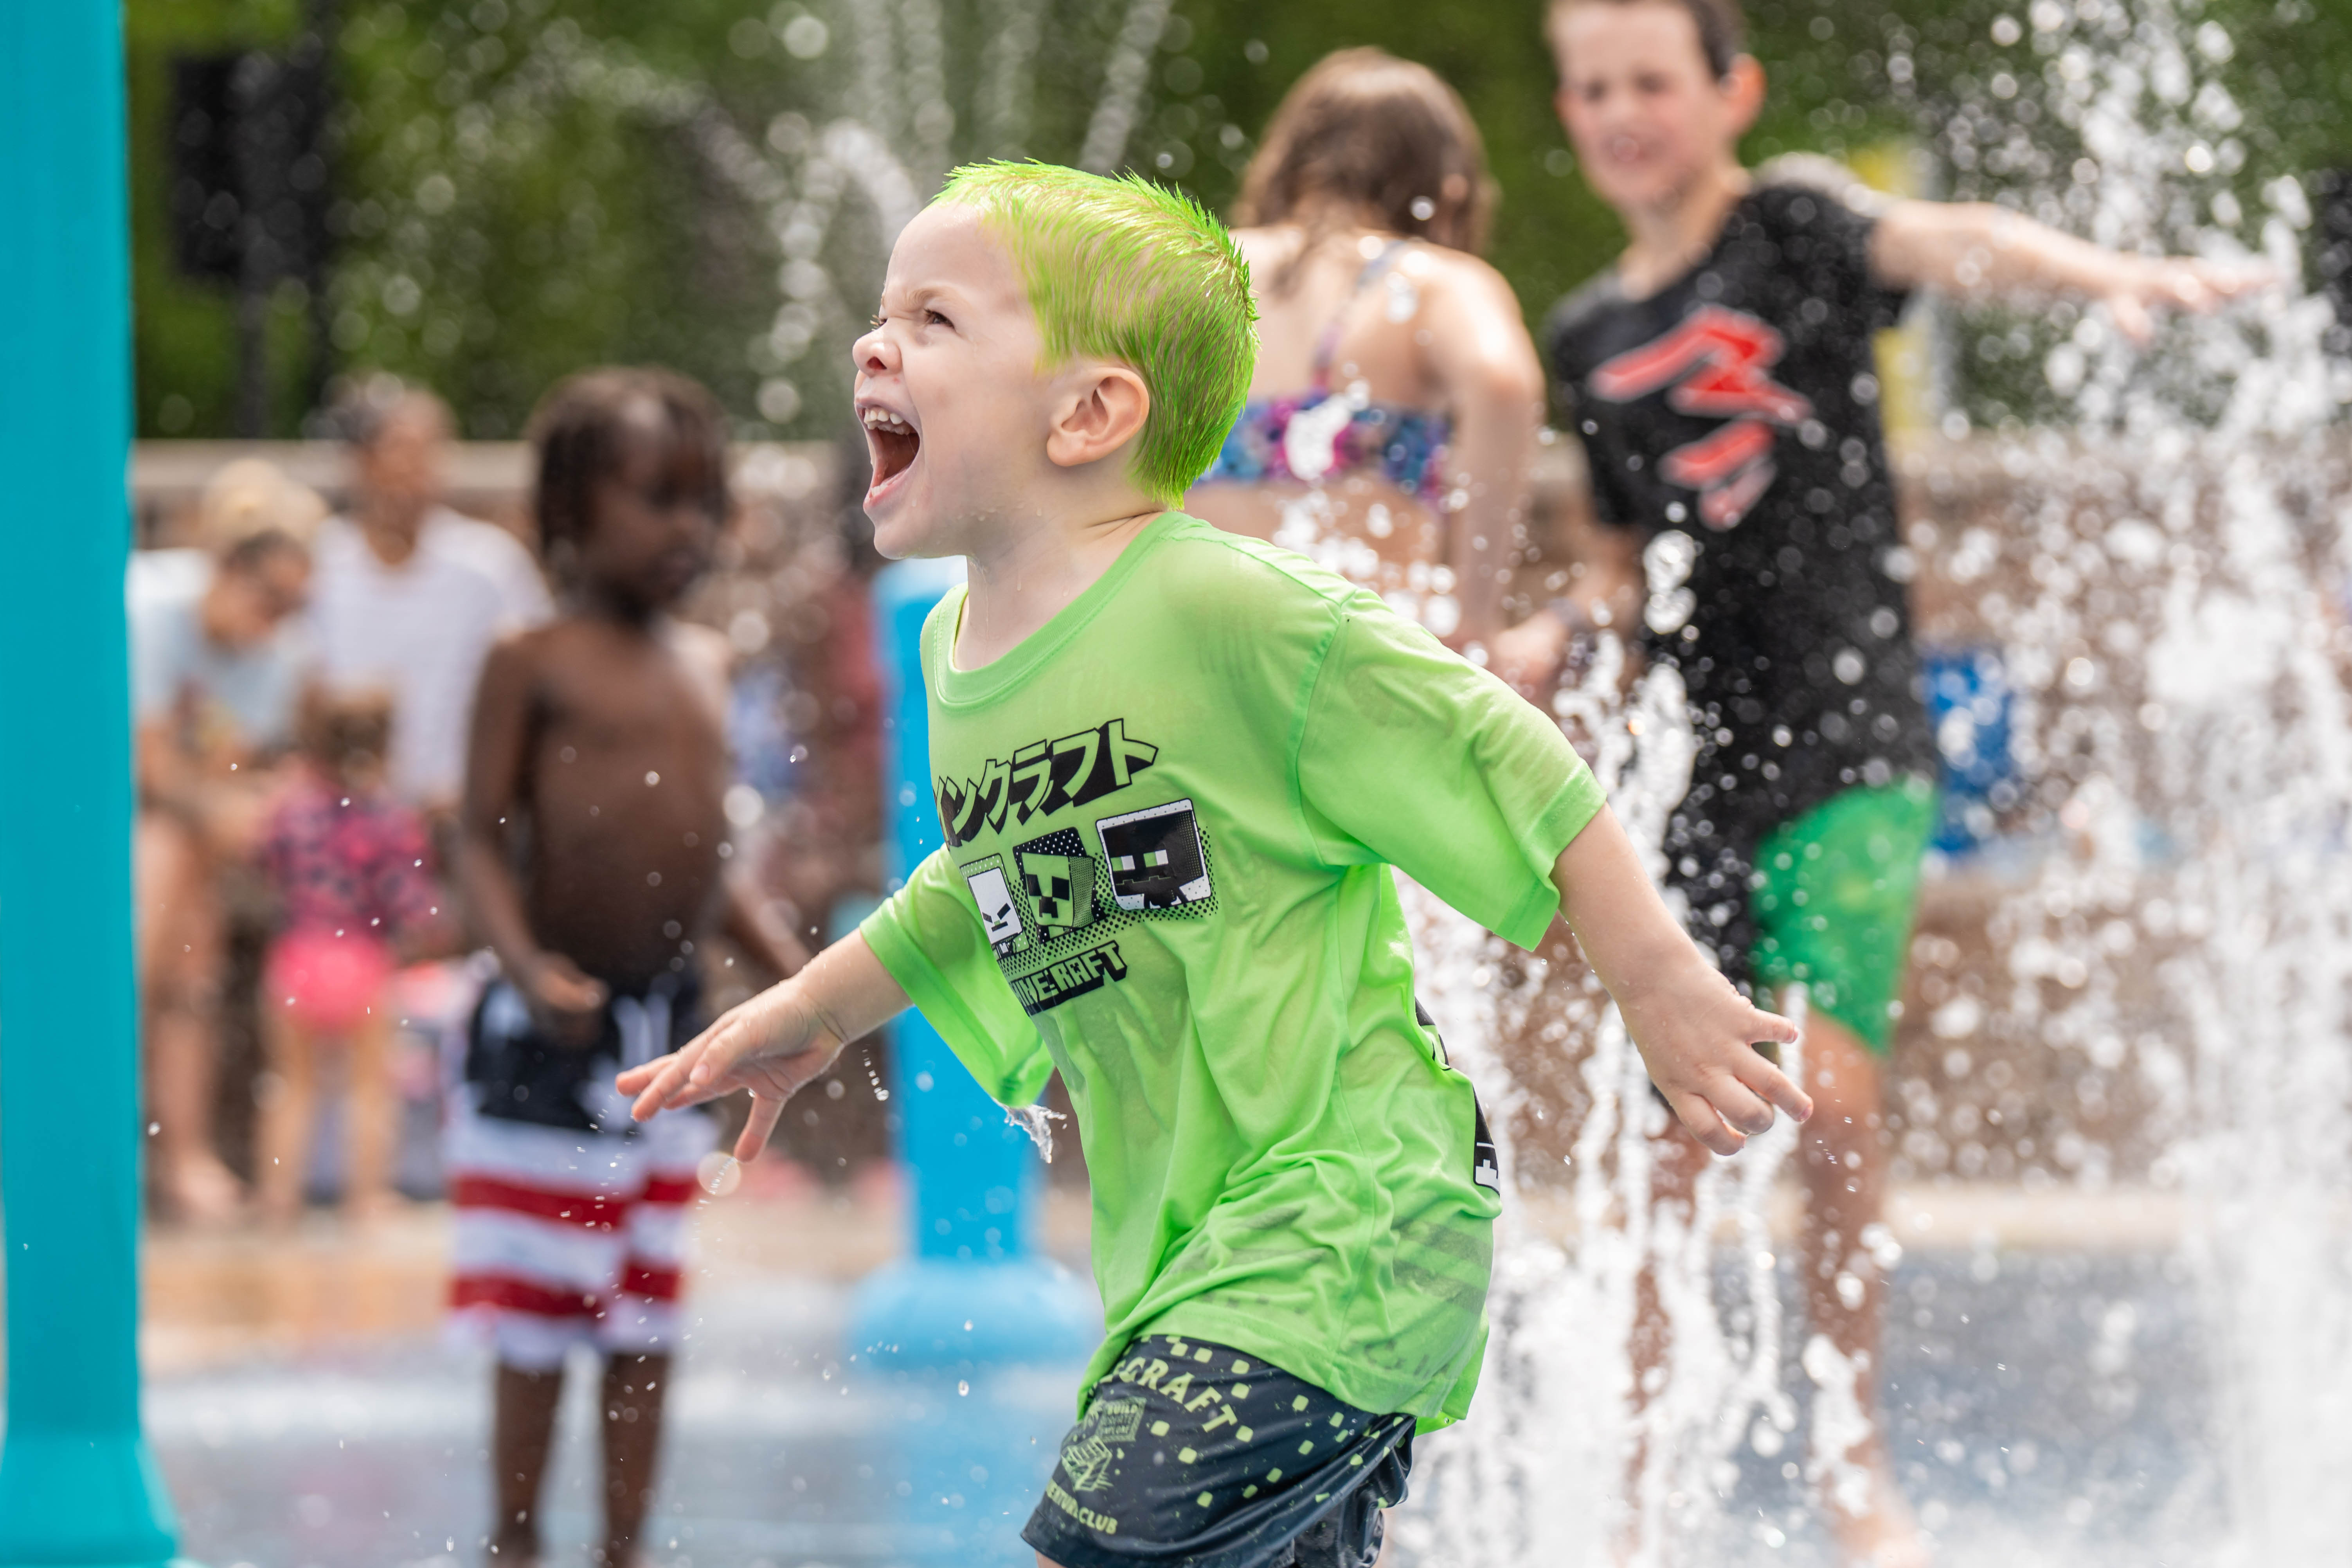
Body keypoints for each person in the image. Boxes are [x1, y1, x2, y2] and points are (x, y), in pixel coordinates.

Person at [620, 161, 1812, 1568]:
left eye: (936, 321)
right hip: (1190, 1254)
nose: (875, 346)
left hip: (1339, 1226)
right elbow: (991, 871)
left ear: (1090, 412)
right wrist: (809, 1014)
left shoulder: (1220, 603)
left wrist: (1657, 978)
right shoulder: (959, 652)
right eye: (884, 315)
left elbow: (1496, 742)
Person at [1495, 1, 2267, 1560]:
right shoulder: (1581, 333)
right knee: (1668, 1139)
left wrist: (2098, 273)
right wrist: (1545, 636)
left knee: (1828, 1091)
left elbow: (1948, 238)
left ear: (1729, 91)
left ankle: (1852, 1457)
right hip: (1692, 770)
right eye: (1592, 87)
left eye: (1652, 80)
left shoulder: (1787, 226)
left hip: (1845, 737)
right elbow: (1610, 558)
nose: (1621, 111)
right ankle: (1629, 1486)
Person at [446, 367, 811, 1568]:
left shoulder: (703, 663)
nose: (687, 530)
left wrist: (798, 983)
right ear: (566, 514)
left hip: (666, 1035)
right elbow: (478, 838)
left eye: (704, 502)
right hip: (542, 1041)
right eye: (657, 498)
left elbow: (706, 864)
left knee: (643, 1310)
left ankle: (622, 1549)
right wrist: (524, 963)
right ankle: (513, 1542)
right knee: (538, 1312)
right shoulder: (530, 657)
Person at [1187, 47, 1545, 650]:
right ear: (1447, 188)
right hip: (1343, 663)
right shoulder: (1428, 279)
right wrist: (1476, 616)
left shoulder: (1196, 265)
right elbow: (1502, 382)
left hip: (1196, 649)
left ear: (1286, 162)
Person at [131, 458, 326, 1224]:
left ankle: (178, 1149)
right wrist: (233, 796)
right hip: (91, 821)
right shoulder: (147, 607)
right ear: (223, 564)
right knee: (172, 877)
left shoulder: (278, 653)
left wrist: (248, 796)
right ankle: (177, 1150)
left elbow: (235, 768)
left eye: (298, 601)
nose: (283, 618)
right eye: (272, 596)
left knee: (189, 914)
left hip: (178, 836)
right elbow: (147, 768)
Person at [309, 378, 553, 819]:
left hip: (466, 810)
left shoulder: (491, 566)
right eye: (401, 449)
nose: (420, 468)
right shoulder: (319, 565)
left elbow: (543, 685)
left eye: (433, 449)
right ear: (360, 461)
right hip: (342, 811)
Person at [254, 687, 446, 1228]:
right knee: (369, 1090)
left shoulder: (292, 810)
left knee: (291, 1086)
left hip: (297, 955)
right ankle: (364, 1200)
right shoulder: (390, 817)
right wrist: (431, 927)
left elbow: (260, 858)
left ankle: (277, 1198)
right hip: (362, 961)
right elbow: (411, 899)